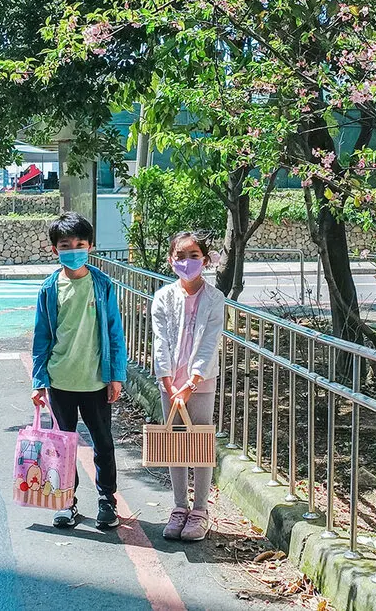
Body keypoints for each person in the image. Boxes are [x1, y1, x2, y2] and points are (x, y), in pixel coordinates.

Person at [31, 212, 127, 530]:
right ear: (54, 249)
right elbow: (41, 337)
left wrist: (116, 376)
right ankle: (65, 501)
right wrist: (39, 380)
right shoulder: (49, 289)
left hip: (96, 381)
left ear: (90, 246)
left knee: (103, 443)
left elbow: (114, 331)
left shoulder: (101, 284)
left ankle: (106, 502)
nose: (73, 249)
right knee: (63, 446)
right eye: (65, 245)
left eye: (80, 244)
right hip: (61, 382)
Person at [151, 231, 225, 542]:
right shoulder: (163, 297)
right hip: (171, 385)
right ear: (171, 261)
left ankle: (200, 510)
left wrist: (192, 381)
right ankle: (179, 507)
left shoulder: (214, 298)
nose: (187, 262)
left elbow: (210, 343)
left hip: (201, 383)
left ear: (205, 261)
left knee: (200, 444)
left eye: (194, 256)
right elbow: (160, 341)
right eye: (180, 256)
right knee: (175, 444)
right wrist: (168, 381)